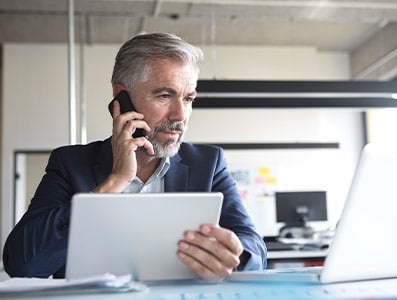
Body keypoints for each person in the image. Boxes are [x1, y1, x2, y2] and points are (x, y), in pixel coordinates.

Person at [2, 33, 267, 282]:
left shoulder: (208, 164)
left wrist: (235, 255)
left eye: (188, 99)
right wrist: (114, 182)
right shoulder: (70, 164)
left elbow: (255, 250)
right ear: (122, 98)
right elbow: (23, 264)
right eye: (165, 95)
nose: (180, 115)